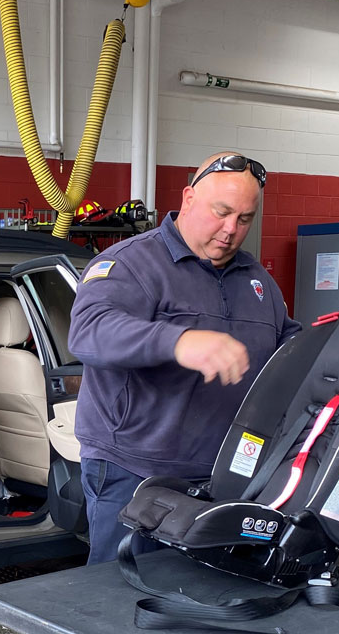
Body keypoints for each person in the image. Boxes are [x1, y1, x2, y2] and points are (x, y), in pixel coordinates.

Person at [68, 152, 301, 564]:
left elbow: (287, 343)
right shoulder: (130, 262)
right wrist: (179, 341)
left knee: (200, 596)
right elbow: (90, 331)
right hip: (136, 472)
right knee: (118, 597)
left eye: (245, 218)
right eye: (222, 212)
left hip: (224, 473)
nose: (231, 230)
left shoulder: (256, 279)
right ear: (189, 198)